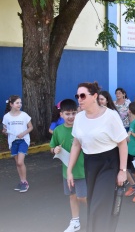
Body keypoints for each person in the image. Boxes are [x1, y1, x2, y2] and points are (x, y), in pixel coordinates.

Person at [67, 82, 128, 232]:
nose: (79, 99)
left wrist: (123, 170)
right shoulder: (80, 117)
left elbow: (122, 143)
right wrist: (69, 170)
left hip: (109, 163)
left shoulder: (110, 115)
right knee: (93, 202)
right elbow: (76, 145)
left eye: (82, 95)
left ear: (94, 96)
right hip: (90, 163)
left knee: (99, 205)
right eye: (77, 96)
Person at [49, 99, 87, 232]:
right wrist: (55, 150)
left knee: (82, 197)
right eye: (67, 114)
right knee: (72, 196)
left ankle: (96, 214)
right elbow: (52, 146)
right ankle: (75, 221)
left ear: (78, 113)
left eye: (73, 113)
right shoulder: (58, 130)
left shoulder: (82, 128)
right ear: (61, 115)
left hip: (82, 170)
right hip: (67, 171)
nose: (71, 116)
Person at [2, 95, 33, 193]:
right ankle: (22, 181)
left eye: (20, 102)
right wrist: (5, 131)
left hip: (23, 141)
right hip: (13, 142)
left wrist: (23, 134)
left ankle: (25, 182)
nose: (19, 104)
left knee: (20, 162)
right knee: (17, 163)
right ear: (11, 104)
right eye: (17, 103)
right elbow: (5, 130)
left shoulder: (24, 115)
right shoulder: (6, 117)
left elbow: (30, 127)